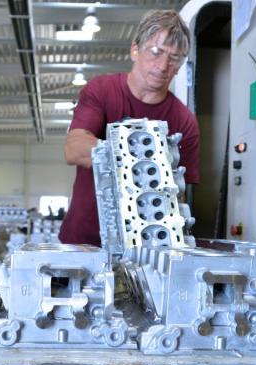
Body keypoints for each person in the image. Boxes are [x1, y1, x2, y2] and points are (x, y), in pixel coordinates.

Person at [59, 9, 199, 247]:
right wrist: (137, 158)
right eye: (156, 52)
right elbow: (74, 149)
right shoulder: (101, 91)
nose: (163, 65)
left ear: (179, 66)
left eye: (174, 58)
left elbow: (180, 194)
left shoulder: (184, 121)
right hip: (83, 242)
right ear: (135, 49)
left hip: (147, 250)